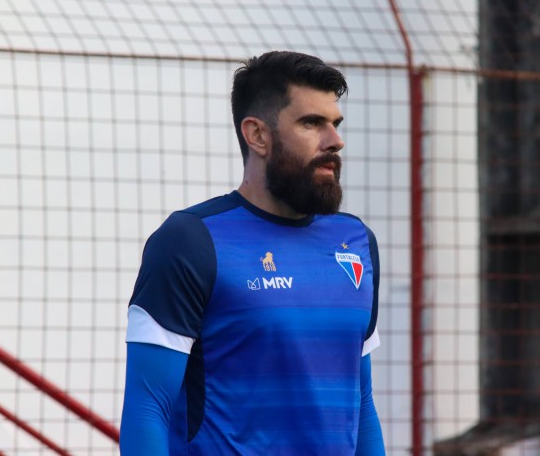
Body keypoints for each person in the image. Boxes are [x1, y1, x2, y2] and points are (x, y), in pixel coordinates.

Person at [119, 51, 385, 455]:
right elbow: (147, 409)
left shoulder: (355, 242)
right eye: (311, 123)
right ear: (257, 135)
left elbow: (361, 404)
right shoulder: (191, 242)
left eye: (335, 123)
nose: (335, 140)